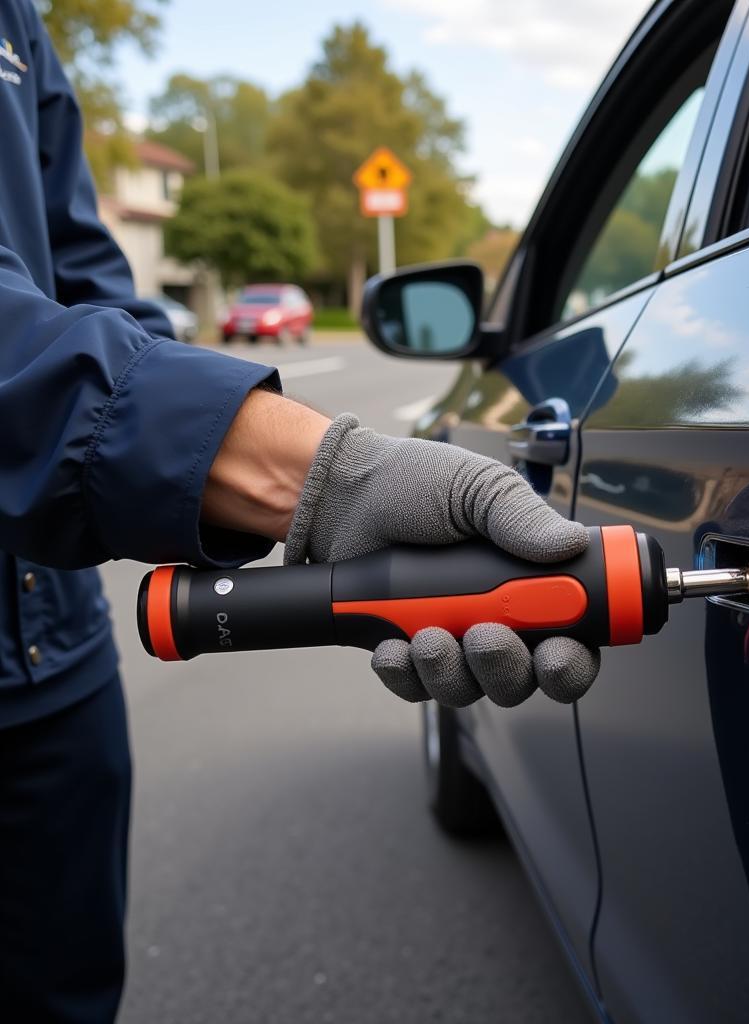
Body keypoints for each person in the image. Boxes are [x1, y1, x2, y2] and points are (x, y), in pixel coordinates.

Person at [0, 2, 598, 1019]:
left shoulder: (18, 24)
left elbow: (91, 291)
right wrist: (323, 475)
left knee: (67, 994)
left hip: (50, 652)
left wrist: (212, 468)